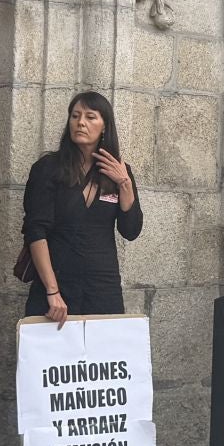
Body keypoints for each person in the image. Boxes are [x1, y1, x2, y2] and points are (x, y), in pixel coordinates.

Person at [21, 92, 142, 324]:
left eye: (90, 117)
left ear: (105, 125)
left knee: (104, 356)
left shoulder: (119, 171)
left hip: (103, 287)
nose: (81, 122)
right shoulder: (48, 168)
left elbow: (131, 230)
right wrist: (52, 291)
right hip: (58, 284)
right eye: (75, 116)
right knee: (53, 357)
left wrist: (124, 184)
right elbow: (35, 231)